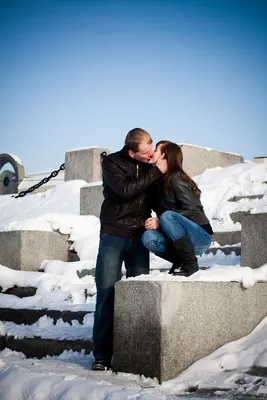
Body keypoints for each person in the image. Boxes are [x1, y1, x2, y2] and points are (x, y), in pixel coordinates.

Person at [92, 128, 167, 371]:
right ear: (132, 152)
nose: (149, 155)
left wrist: (160, 220)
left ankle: (134, 353)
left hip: (139, 237)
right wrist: (155, 171)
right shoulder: (112, 162)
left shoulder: (149, 165)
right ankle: (102, 356)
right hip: (113, 234)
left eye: (151, 149)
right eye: (145, 153)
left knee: (137, 294)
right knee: (106, 293)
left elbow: (160, 196)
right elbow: (125, 191)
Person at [142, 141, 213, 277]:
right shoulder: (157, 183)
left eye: (156, 150)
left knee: (167, 216)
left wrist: (160, 220)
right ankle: (181, 261)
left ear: (164, 156)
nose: (152, 152)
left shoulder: (176, 178)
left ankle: (191, 264)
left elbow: (192, 210)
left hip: (200, 236)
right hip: (180, 238)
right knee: (148, 237)